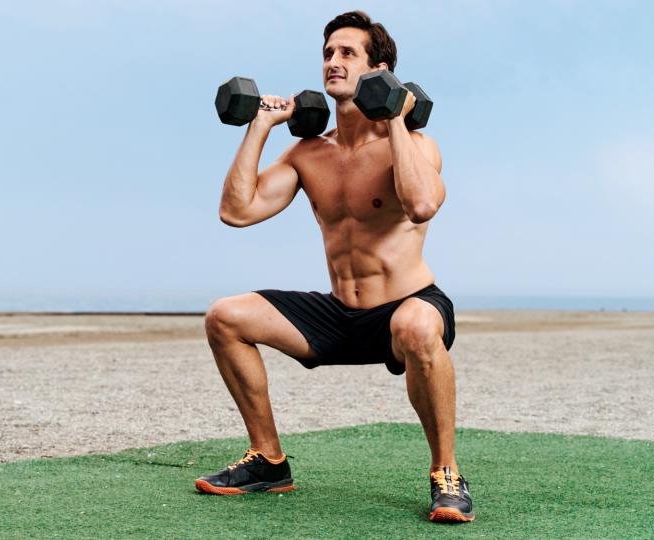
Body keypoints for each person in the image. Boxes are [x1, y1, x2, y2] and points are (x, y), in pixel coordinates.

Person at [194, 11, 474, 523]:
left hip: (404, 309)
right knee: (225, 316)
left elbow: (421, 206)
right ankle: (268, 461)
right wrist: (261, 126)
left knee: (415, 325)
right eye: (328, 53)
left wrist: (393, 118)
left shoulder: (413, 146)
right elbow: (236, 212)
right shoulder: (309, 154)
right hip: (339, 315)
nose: (333, 62)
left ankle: (446, 474)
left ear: (379, 70)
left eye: (347, 53)